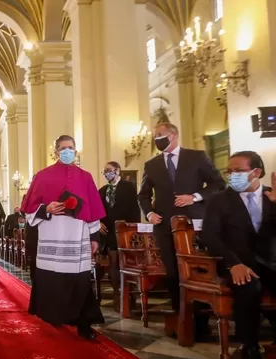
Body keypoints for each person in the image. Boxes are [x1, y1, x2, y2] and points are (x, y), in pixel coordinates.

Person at [138, 122, 225, 336]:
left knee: (198, 272)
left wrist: (194, 197)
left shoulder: (196, 157)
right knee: (174, 272)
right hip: (165, 226)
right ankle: (183, 319)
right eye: (154, 136)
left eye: (160, 135)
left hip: (194, 225)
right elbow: (143, 195)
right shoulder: (152, 165)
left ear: (173, 135)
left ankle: (203, 323)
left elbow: (218, 184)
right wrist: (149, 213)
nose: (156, 139)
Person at [22, 135, 106, 340]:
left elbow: (93, 211)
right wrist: (46, 208)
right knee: (54, 281)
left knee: (82, 282)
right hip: (52, 236)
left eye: (71, 148)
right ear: (56, 152)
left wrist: (94, 238)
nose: (67, 151)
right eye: (63, 148)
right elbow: (30, 211)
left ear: (75, 151)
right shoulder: (42, 176)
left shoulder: (85, 177)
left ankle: (84, 324)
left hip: (78, 239)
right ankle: (55, 316)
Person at [202, 151, 276, 359]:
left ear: (257, 172)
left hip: (271, 262)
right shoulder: (219, 200)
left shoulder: (271, 196)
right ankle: (249, 347)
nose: (232, 175)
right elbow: (210, 236)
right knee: (250, 287)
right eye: (230, 171)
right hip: (236, 263)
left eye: (239, 171)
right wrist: (233, 263)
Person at [98, 161, 140, 310]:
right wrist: (98, 222)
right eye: (105, 171)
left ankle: (130, 295)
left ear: (118, 170)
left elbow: (135, 209)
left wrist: (134, 229)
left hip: (126, 231)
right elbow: (97, 210)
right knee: (113, 264)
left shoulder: (129, 187)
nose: (107, 173)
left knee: (127, 264)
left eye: (109, 170)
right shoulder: (102, 190)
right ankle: (118, 293)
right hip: (109, 232)